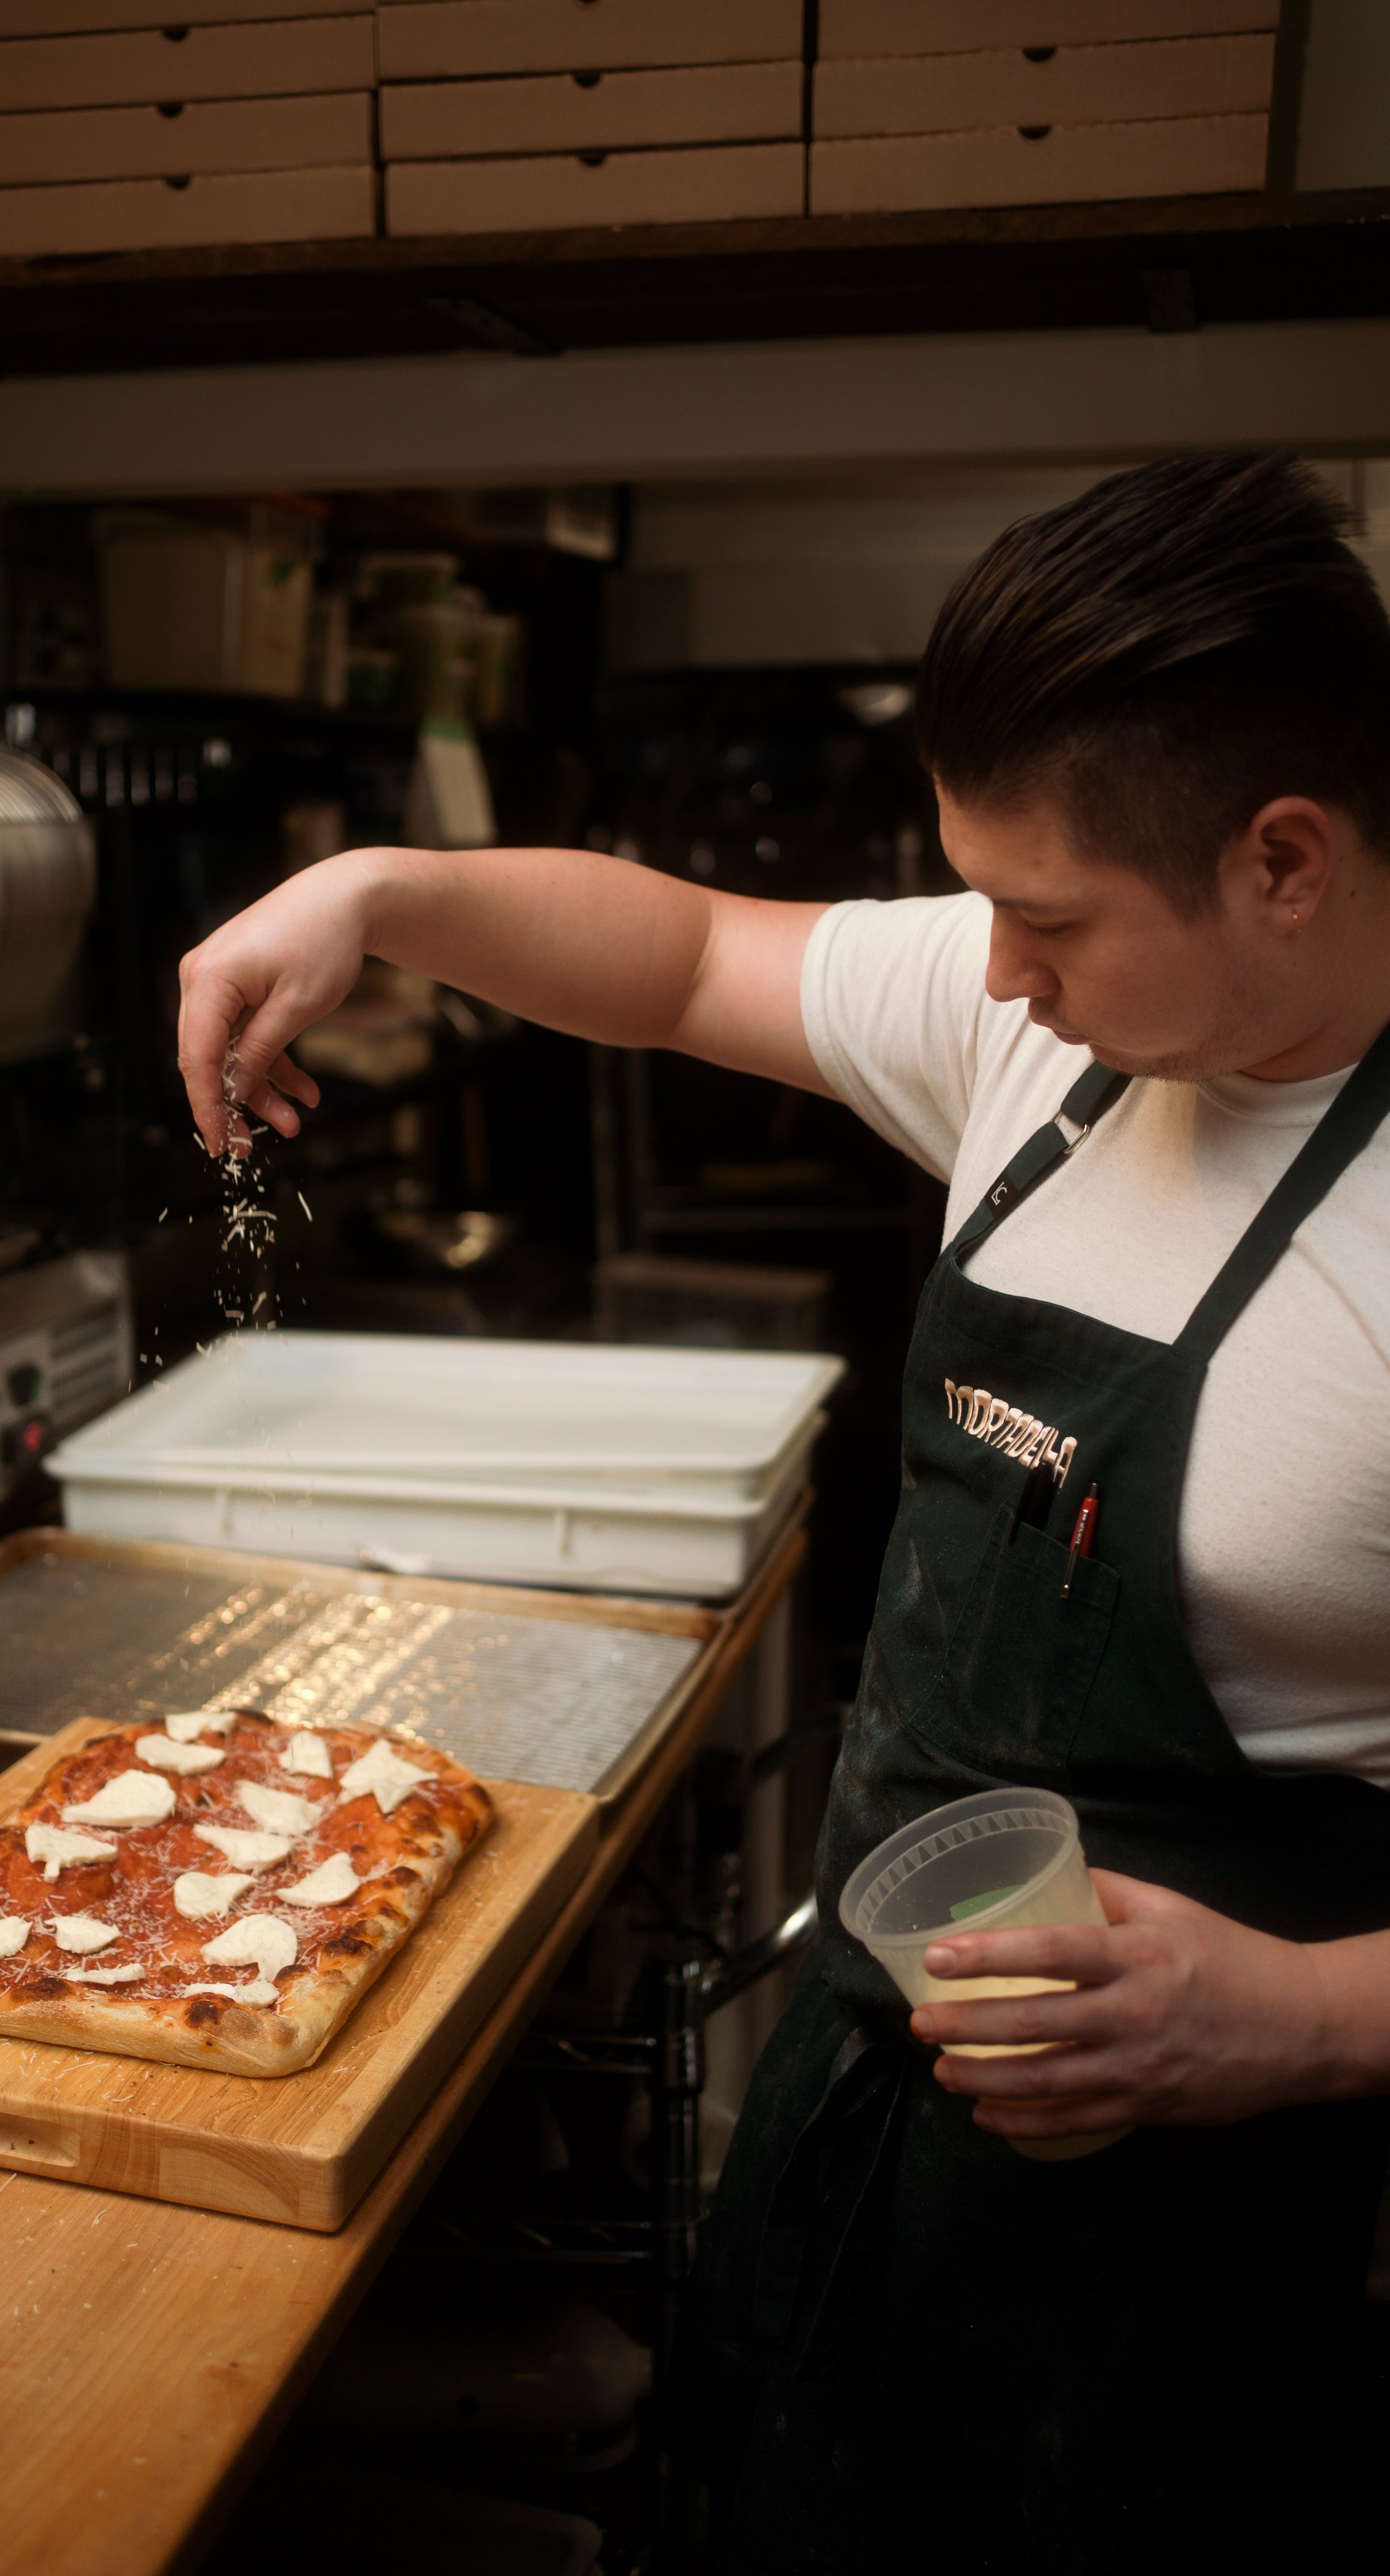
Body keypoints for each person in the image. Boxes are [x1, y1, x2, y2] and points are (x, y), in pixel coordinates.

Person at [179, 454, 1390, 2568]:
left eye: (1047, 918)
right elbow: (676, 954)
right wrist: (375, 889)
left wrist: (1294, 2023)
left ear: (1280, 859)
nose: (993, 976)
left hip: (1219, 2199)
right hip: (875, 2081)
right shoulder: (1062, 1039)